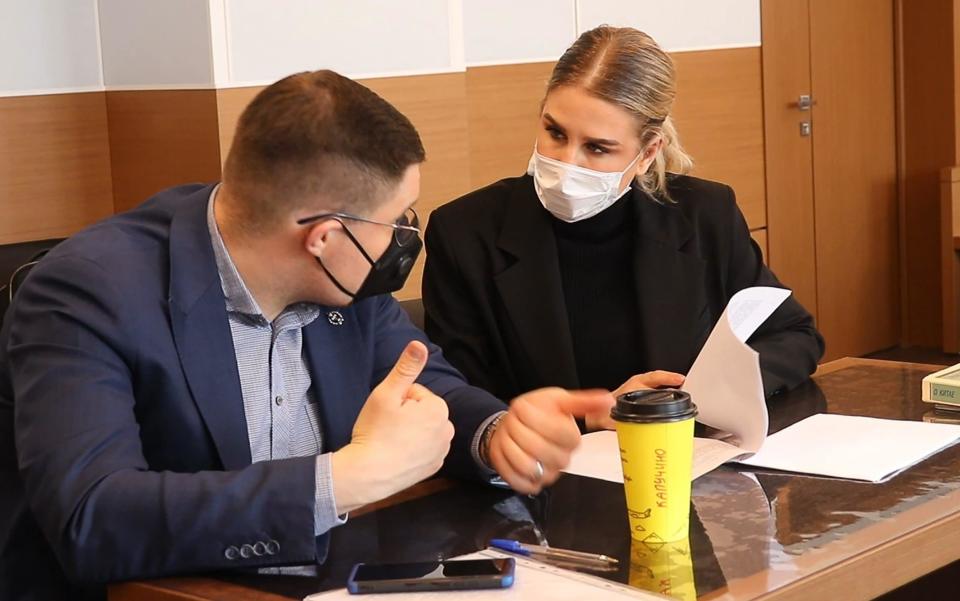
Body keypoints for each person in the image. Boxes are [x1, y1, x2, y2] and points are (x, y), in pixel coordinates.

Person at [0, 70, 611, 600]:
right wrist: (345, 479)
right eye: (397, 219)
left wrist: (496, 433)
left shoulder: (343, 284)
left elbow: (420, 382)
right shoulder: (86, 293)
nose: (405, 236)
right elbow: (92, 519)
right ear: (323, 237)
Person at [423, 26, 824, 431]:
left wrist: (692, 398)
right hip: (548, 476)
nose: (567, 163)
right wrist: (591, 418)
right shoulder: (464, 233)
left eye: (597, 148)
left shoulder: (704, 215)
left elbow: (793, 335)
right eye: (555, 133)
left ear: (648, 152)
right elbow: (460, 400)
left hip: (680, 465)